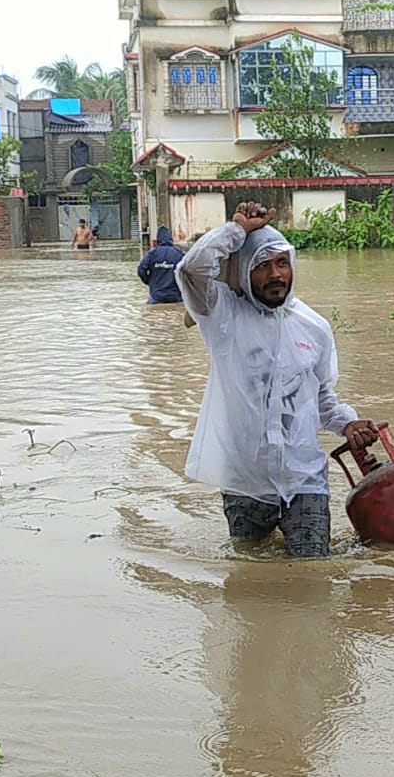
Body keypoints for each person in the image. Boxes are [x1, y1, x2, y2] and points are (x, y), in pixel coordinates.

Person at [175, 201, 381, 558]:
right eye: (262, 266)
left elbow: (321, 400)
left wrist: (348, 424)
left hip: (304, 479)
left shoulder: (314, 328)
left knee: (314, 570)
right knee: (248, 572)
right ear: (243, 274)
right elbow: (192, 269)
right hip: (244, 481)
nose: (275, 275)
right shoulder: (222, 316)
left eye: (282, 263)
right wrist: (237, 229)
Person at [138, 227, 185, 304]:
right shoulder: (179, 254)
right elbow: (189, 271)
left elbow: (141, 270)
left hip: (156, 296)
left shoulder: (152, 253)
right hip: (175, 296)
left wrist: (148, 281)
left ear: (158, 240)